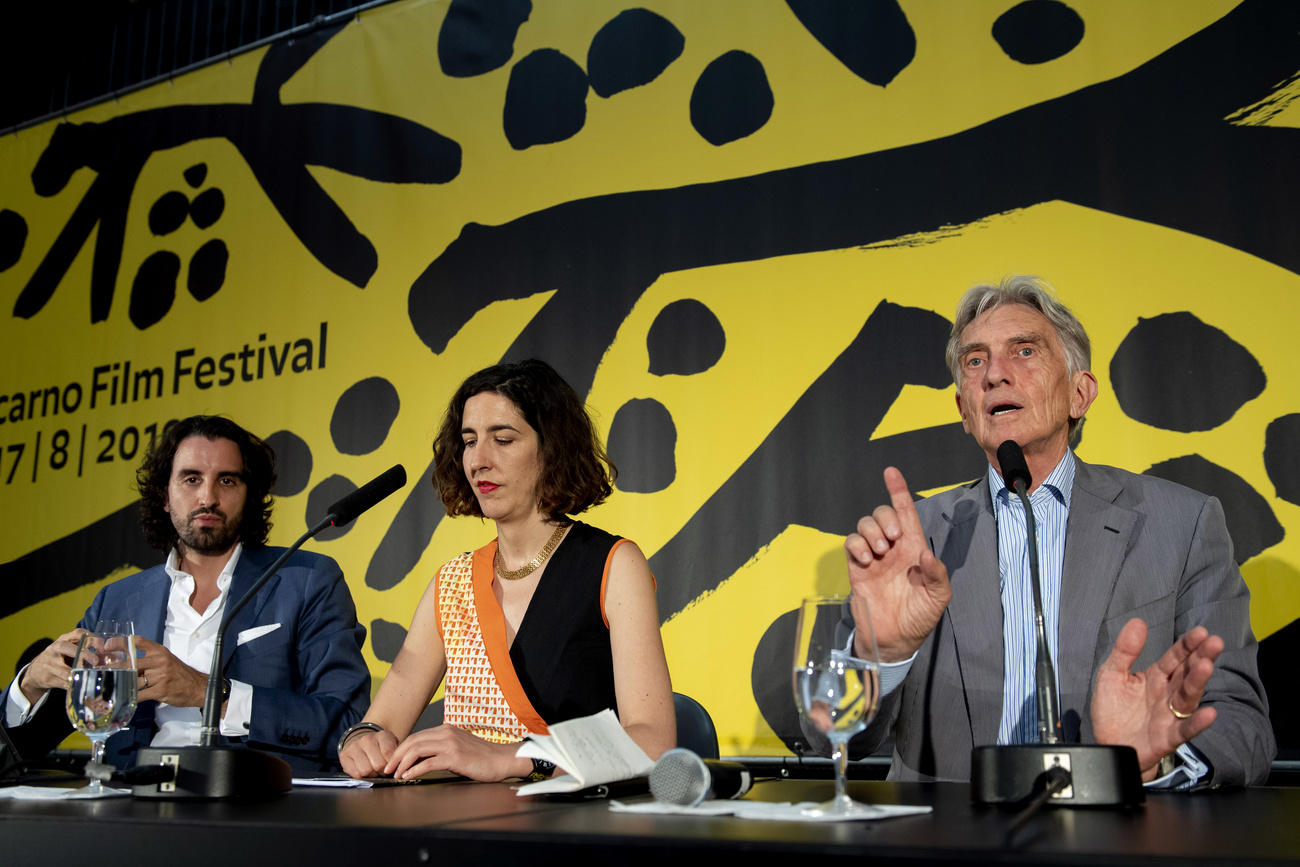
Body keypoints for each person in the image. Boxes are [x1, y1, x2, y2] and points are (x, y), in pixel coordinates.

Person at [834, 276, 1273, 788]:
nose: (995, 374)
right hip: (945, 844)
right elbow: (832, 737)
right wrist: (882, 658)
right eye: (975, 361)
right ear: (964, 411)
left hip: (1115, 841)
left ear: (1080, 394)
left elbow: (1242, 724)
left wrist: (1154, 763)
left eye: (1024, 352)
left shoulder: (1183, 523)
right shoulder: (913, 539)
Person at [338, 359, 674, 782]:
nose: (479, 460)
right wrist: (362, 740)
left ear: (551, 449)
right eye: (469, 441)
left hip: (572, 820)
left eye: (503, 439)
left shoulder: (614, 564)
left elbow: (652, 743)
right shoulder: (454, 582)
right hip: (460, 825)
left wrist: (511, 757)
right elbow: (380, 724)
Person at [3, 415, 370, 775]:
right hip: (130, 802)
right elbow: (22, 749)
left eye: (227, 480)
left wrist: (205, 692)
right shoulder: (117, 599)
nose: (207, 497)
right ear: (165, 495)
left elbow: (346, 724)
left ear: (250, 495)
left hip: (254, 802)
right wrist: (29, 684)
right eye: (191, 479)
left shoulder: (306, 580)